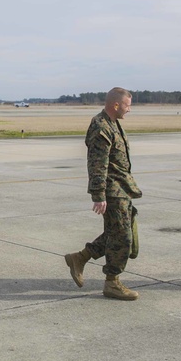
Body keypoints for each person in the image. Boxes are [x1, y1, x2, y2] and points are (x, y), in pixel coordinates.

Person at [63, 88, 142, 301]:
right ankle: (112, 282)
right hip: (112, 190)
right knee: (122, 237)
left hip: (122, 188)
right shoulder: (101, 126)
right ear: (116, 105)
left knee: (116, 233)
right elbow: (97, 164)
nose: (129, 109)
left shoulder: (113, 123)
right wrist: (99, 194)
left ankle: (79, 258)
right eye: (127, 105)